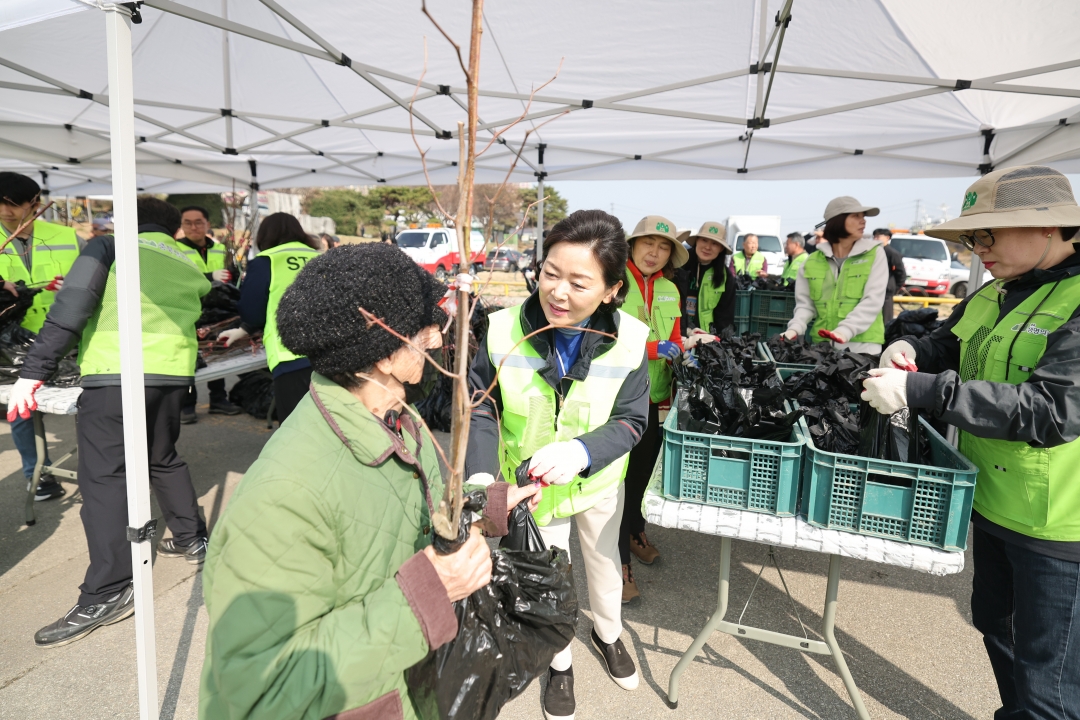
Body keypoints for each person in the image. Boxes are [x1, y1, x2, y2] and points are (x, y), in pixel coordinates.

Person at [200, 243, 539, 720]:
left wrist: (487, 508)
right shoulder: (285, 497)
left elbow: (405, 520)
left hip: (408, 684)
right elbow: (261, 692)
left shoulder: (399, 416)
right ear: (381, 352)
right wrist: (428, 594)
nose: (438, 342)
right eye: (425, 327)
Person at [861, 166, 1080, 719]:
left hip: (1060, 526)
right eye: (973, 239)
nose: (979, 250)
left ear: (1049, 227)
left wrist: (921, 389)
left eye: (990, 235)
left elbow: (1055, 410)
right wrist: (908, 352)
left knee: (1049, 680)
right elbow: (946, 344)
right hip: (994, 505)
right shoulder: (994, 294)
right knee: (996, 628)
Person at [466, 209, 650, 720]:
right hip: (530, 489)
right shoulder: (503, 330)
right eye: (550, 273)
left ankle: (608, 633)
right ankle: (560, 661)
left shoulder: (630, 339)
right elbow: (481, 403)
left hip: (597, 484)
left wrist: (584, 451)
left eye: (578, 282)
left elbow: (634, 419)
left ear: (612, 290)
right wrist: (482, 478)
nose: (558, 292)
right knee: (547, 576)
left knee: (603, 563)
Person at [10, 197, 212, 647]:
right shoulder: (187, 258)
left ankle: (109, 588)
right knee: (162, 457)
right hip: (173, 374)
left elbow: (72, 308)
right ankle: (190, 537)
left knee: (103, 478)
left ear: (126, 218)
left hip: (117, 373)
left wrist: (33, 371)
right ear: (170, 226)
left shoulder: (111, 246)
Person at [619, 214, 688, 603]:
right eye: (648, 243)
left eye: (664, 247)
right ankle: (619, 565)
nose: (654, 252)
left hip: (656, 397)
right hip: (617, 399)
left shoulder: (670, 290)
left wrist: (680, 354)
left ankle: (635, 531)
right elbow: (601, 339)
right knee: (617, 480)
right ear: (632, 245)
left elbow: (675, 337)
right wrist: (652, 350)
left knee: (644, 474)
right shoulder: (613, 281)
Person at [0, 172, 80, 502]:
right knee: (23, 410)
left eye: (13, 205)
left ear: (35, 204)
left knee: (82, 404)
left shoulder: (67, 236)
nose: (6, 212)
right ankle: (38, 473)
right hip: (11, 346)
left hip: (65, 335)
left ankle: (98, 470)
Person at [217, 213, 321, 422]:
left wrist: (246, 326)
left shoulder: (266, 261)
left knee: (297, 427)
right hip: (331, 353)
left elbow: (252, 310)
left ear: (265, 235)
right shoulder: (320, 257)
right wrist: (243, 330)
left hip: (290, 356)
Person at [782, 197, 888, 355]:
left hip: (862, 348)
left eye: (863, 216)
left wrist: (845, 331)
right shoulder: (812, 261)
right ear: (838, 220)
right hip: (822, 347)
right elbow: (805, 305)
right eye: (856, 216)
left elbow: (873, 301)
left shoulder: (875, 254)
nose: (863, 221)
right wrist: (795, 328)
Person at [176, 205, 241, 422]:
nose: (193, 227)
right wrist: (208, 276)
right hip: (186, 311)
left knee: (216, 352)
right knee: (188, 357)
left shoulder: (220, 248)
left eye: (198, 222)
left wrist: (232, 275)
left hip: (216, 313)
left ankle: (218, 399)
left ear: (207, 224)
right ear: (182, 225)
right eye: (188, 222)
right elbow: (177, 280)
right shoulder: (174, 249)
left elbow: (233, 273)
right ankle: (187, 404)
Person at [675, 221, 737, 339]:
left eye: (715, 243)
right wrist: (686, 329)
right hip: (678, 334)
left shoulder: (726, 277)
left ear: (721, 249)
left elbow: (725, 315)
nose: (708, 247)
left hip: (706, 337)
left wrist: (717, 337)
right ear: (696, 241)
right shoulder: (679, 266)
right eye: (704, 240)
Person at [873, 228, 907, 323]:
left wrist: (895, 287)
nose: (875, 239)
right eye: (874, 236)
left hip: (886, 289)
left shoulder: (892, 253)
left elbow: (901, 273)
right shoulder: (873, 251)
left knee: (886, 317)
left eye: (878, 236)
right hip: (874, 287)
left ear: (887, 238)